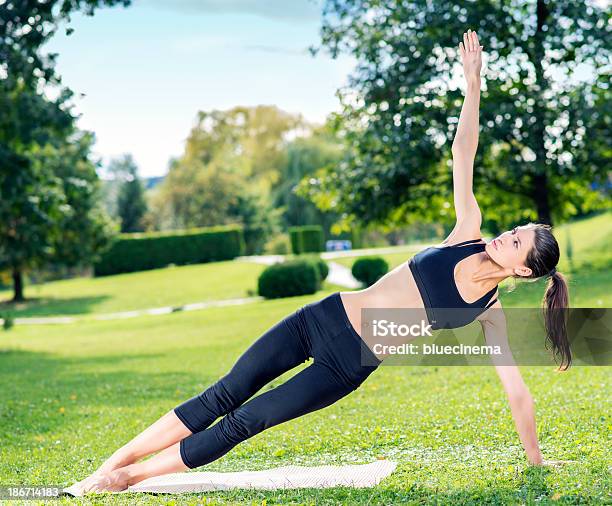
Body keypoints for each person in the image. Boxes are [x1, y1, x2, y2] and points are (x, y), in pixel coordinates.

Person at [75, 29, 571, 494]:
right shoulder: (467, 233)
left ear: (524, 270)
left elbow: (517, 390)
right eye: (513, 231)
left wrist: (535, 458)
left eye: (516, 242)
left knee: (247, 421)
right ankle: (112, 463)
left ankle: (130, 478)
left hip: (343, 366)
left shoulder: (488, 310)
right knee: (225, 392)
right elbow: (464, 153)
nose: (506, 236)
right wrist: (472, 85)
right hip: (321, 317)